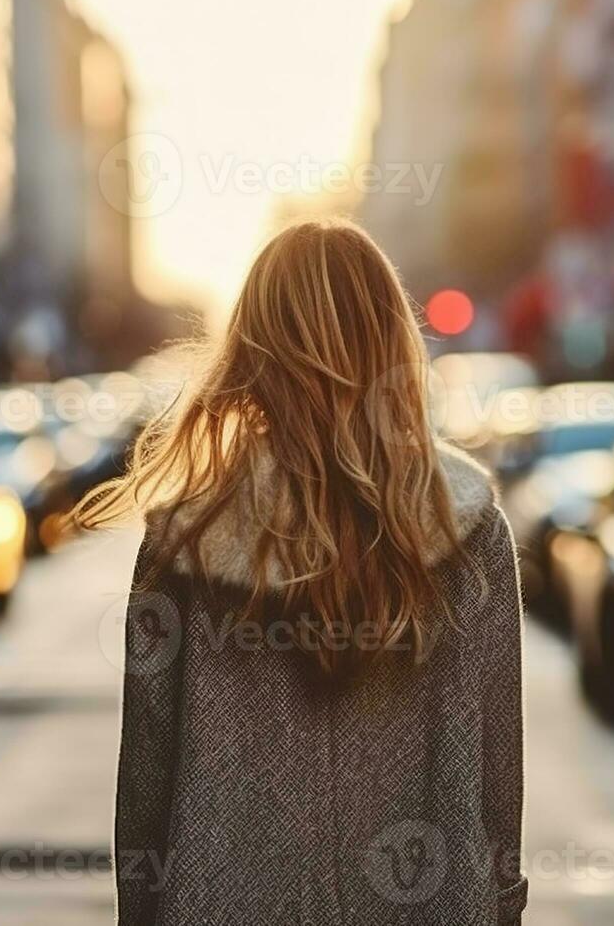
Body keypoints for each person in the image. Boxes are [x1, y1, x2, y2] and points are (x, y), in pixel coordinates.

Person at [75, 220, 528, 925]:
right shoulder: (466, 529)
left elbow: (147, 783)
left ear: (252, 348)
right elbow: (497, 769)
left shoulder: (186, 540)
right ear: (391, 343)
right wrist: (501, 907)